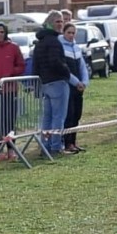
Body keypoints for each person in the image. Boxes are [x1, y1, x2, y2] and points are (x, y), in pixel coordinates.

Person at [34, 11, 72, 153]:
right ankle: (56, 146)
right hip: (57, 82)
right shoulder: (54, 42)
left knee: (47, 118)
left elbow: (36, 65)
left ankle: (45, 146)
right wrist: (66, 72)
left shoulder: (40, 42)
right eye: (57, 22)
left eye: (62, 22)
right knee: (58, 117)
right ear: (50, 23)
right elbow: (56, 62)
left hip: (45, 83)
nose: (60, 25)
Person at [62, 22, 91, 150]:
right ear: (64, 33)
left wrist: (84, 82)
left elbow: (82, 67)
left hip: (79, 88)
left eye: (73, 33)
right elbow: (64, 70)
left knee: (77, 115)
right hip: (68, 86)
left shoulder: (77, 48)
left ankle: (73, 141)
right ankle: (67, 143)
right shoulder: (61, 48)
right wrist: (76, 82)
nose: (71, 35)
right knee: (69, 114)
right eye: (68, 32)